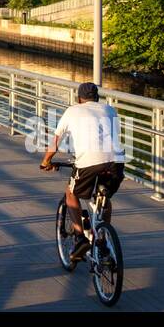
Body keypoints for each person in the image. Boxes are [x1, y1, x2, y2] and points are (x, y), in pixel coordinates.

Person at [40, 82, 126, 264]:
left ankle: (80, 238)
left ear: (79, 99)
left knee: (71, 193)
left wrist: (46, 161)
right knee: (104, 198)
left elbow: (55, 141)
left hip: (88, 162)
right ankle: (103, 238)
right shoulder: (110, 110)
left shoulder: (72, 111)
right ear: (97, 98)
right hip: (116, 163)